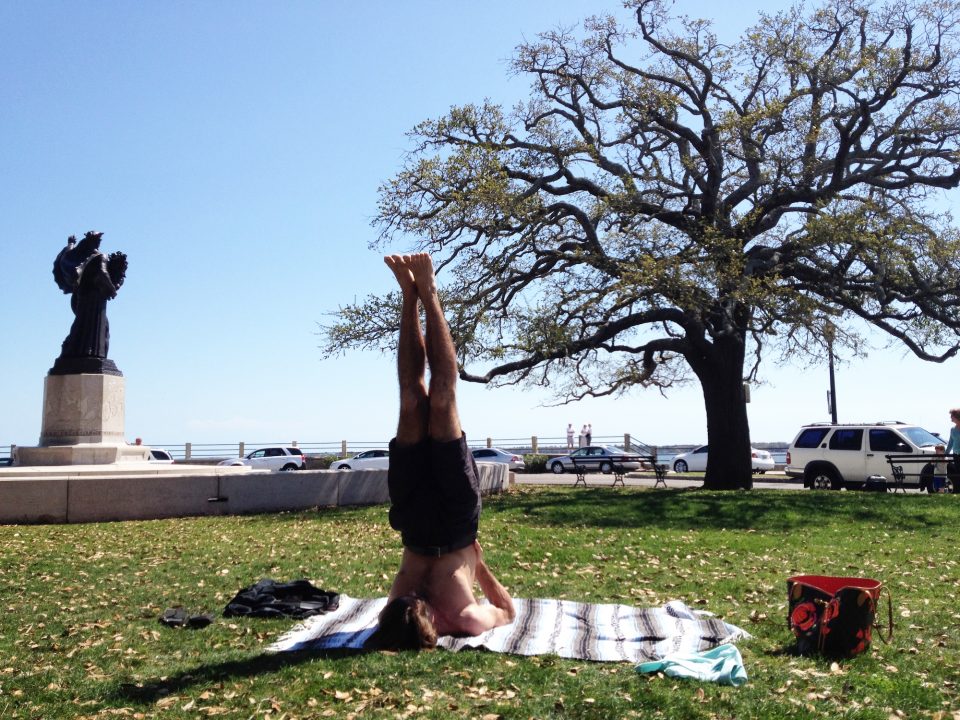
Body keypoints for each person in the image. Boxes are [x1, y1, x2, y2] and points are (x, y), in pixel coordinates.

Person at [367, 253, 515, 651]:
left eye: (406, 601)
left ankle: (408, 296)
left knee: (411, 400)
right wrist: (479, 566)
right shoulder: (465, 620)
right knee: (443, 399)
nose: (412, 597)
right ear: (434, 623)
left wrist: (400, 608)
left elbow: (396, 616)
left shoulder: (395, 613)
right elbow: (507, 611)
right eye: (417, 606)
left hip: (412, 520)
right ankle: (430, 294)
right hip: (454, 523)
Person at [945, 409, 960, 492]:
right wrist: (945, 453)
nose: (951, 417)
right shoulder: (952, 429)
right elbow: (950, 443)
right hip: (956, 455)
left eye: (952, 415)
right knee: (957, 473)